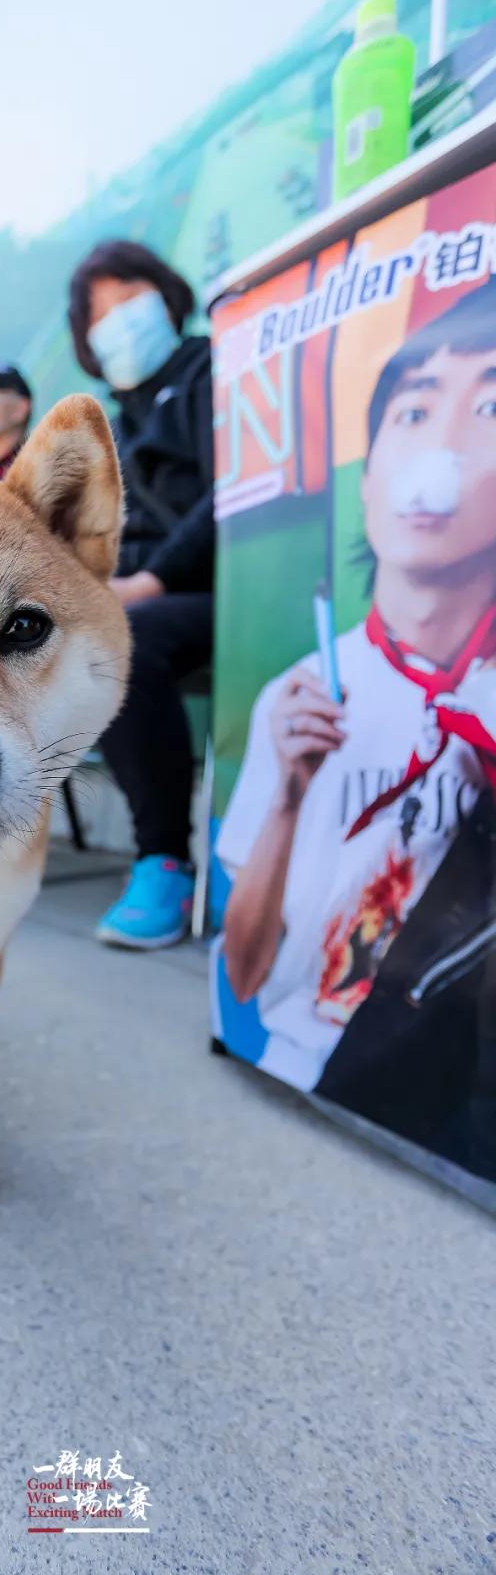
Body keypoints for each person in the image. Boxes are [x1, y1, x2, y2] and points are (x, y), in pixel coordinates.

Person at [220, 280, 496, 1098]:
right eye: (414, 411)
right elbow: (244, 975)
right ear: (369, 477)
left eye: (489, 409)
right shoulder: (300, 697)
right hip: (304, 1068)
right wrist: (287, 797)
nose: (439, 454)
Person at [67, 240, 214, 948]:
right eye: (103, 314)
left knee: (127, 641)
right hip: (137, 594)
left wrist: (149, 581)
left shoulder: (211, 371)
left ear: (167, 298)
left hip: (220, 587)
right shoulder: (114, 428)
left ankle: (163, 861)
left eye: (132, 300)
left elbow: (233, 493)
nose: (121, 321)